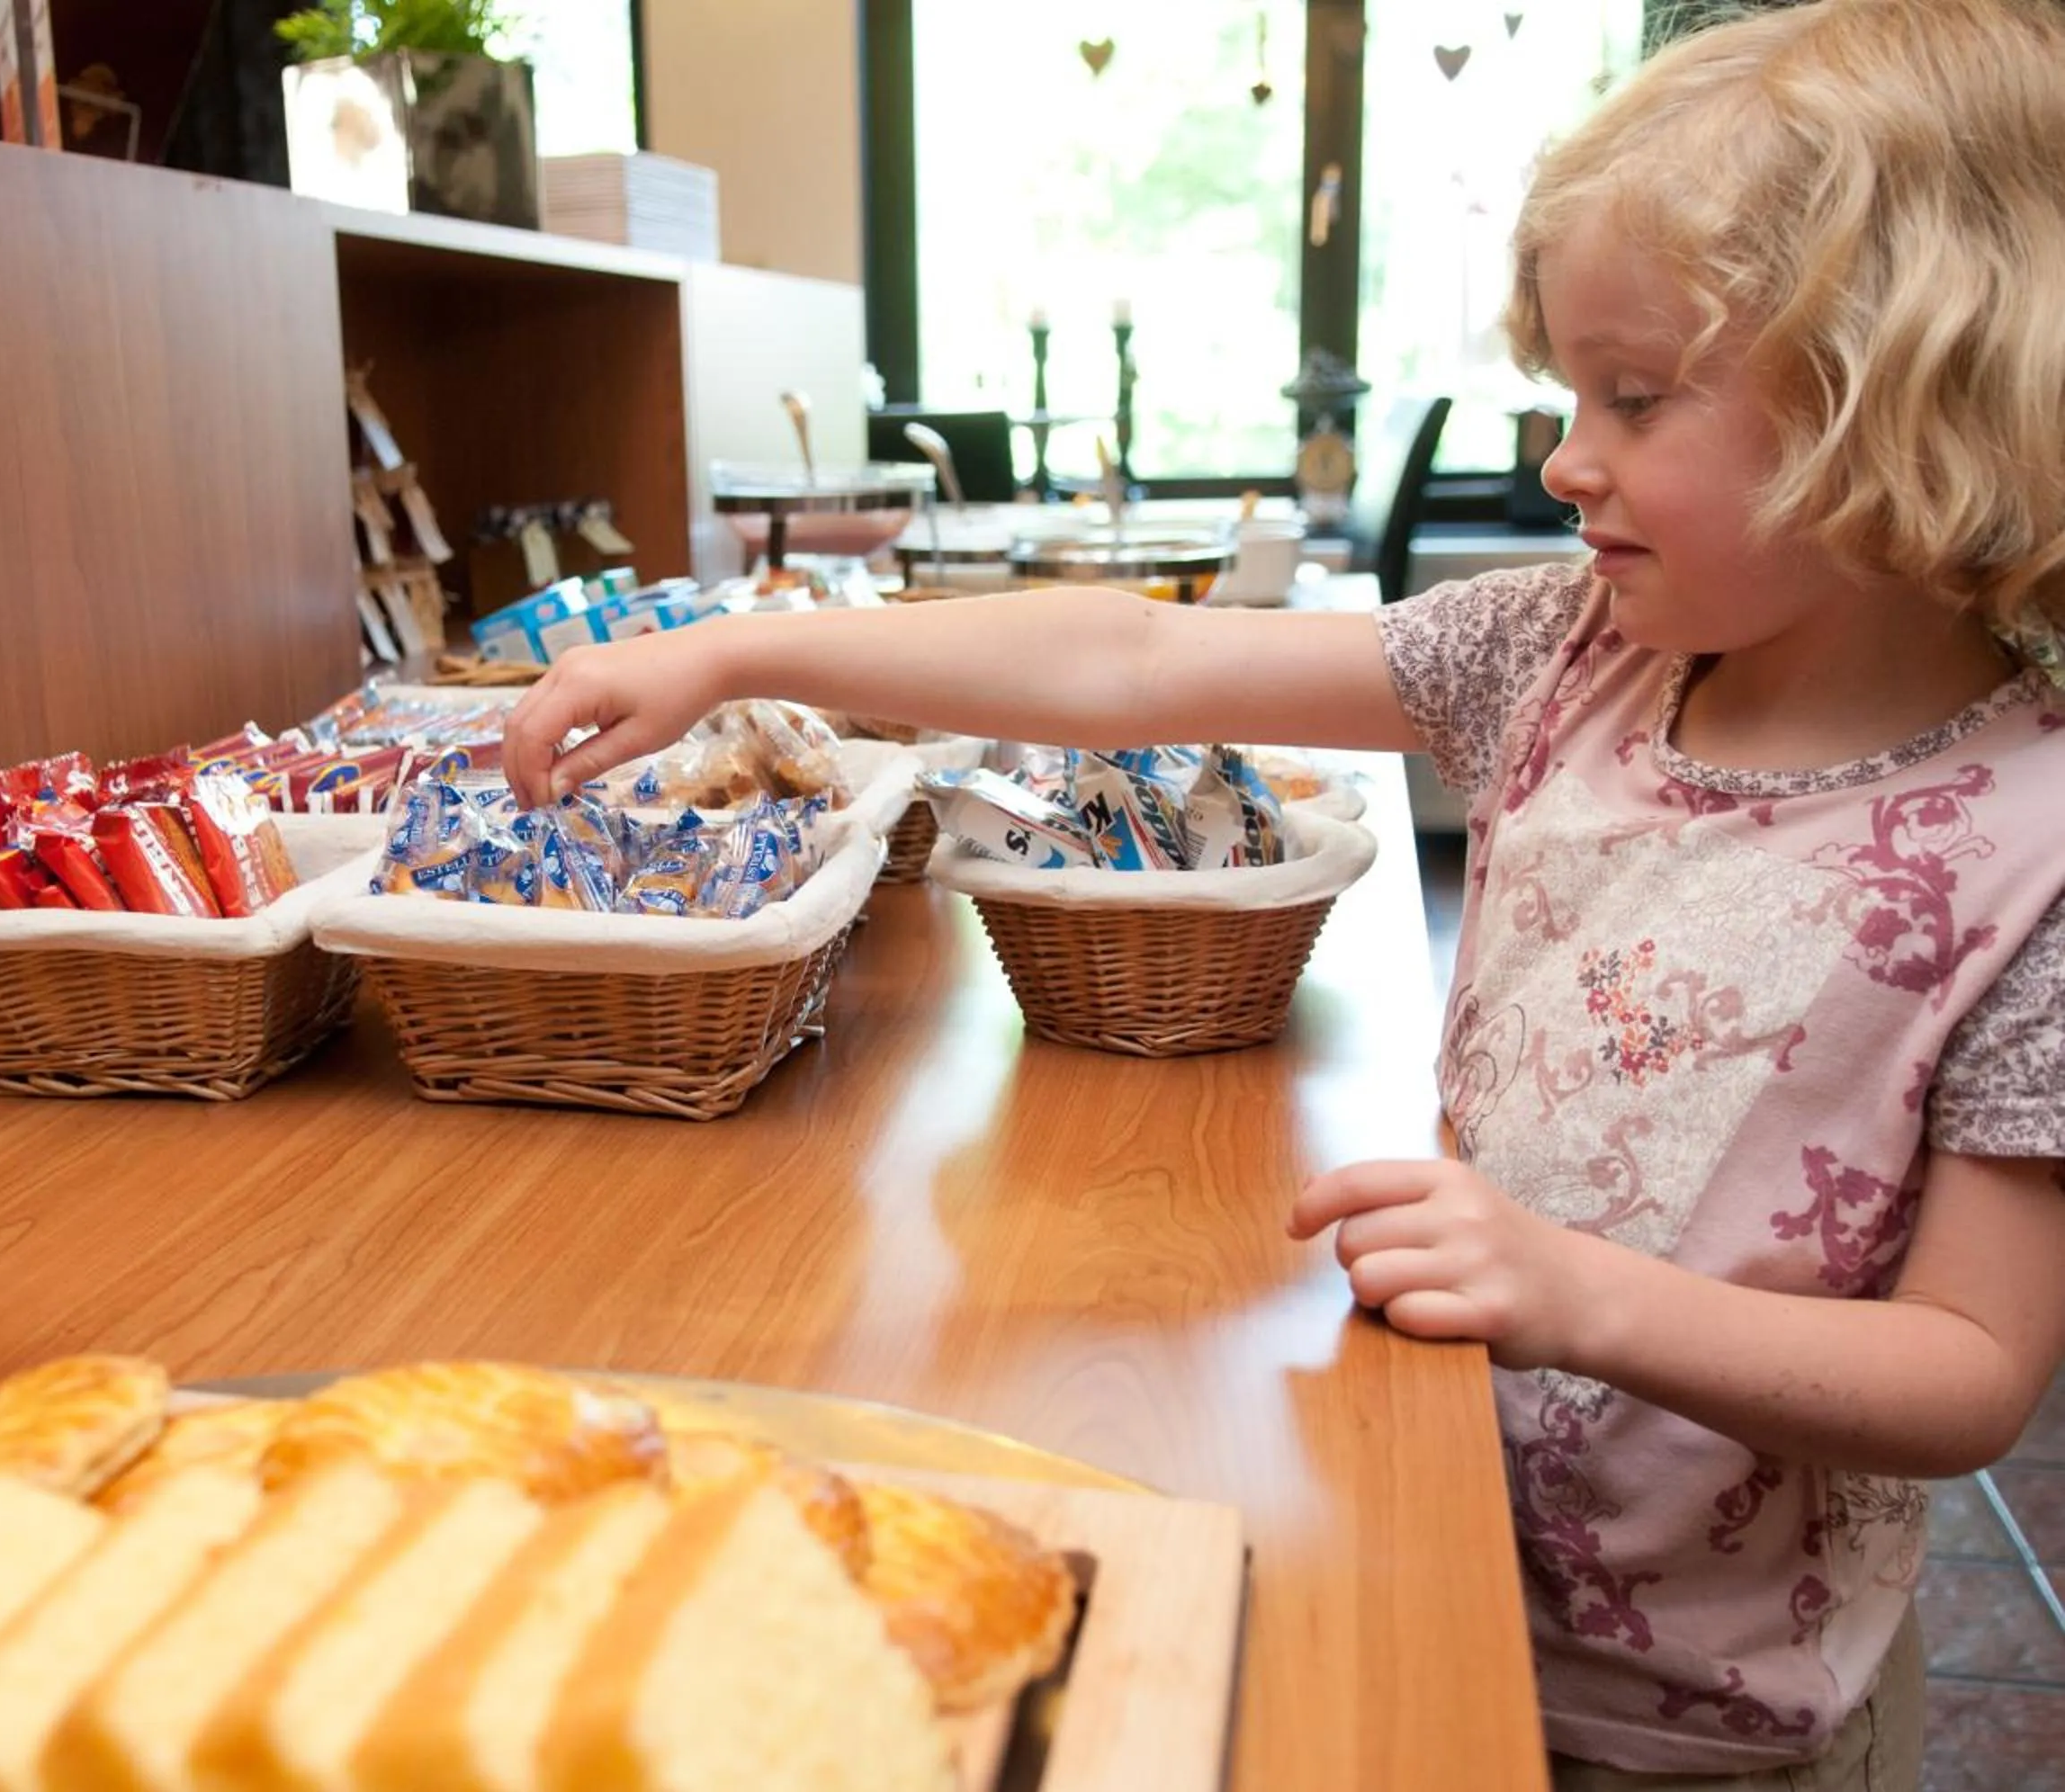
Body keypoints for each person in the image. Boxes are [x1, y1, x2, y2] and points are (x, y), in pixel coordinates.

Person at [500, 2, 2065, 1784]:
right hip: (1441, 1527)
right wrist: (745, 641)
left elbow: (1970, 1370)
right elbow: (1126, 665)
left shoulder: (2036, 853)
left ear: (1913, 398)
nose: (1567, 456)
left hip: (1718, 1722)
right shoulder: (1558, 652)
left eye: (1634, 398)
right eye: (1568, 390)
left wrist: (1577, 1296)